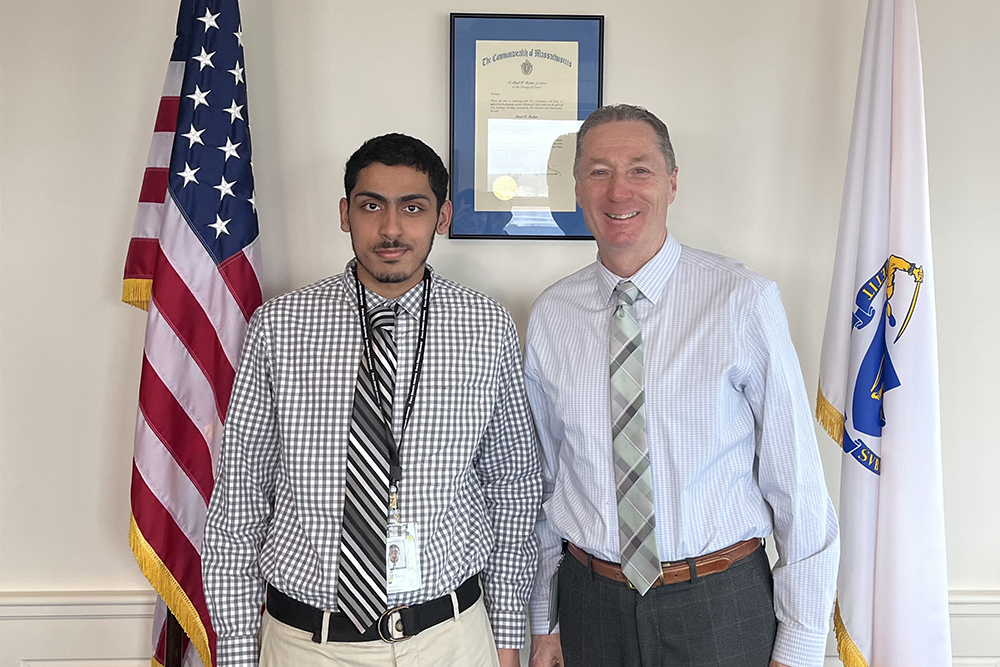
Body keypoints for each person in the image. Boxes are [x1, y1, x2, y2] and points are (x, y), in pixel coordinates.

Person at [203, 133, 541, 667]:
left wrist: (506, 635)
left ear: (442, 217)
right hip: (306, 645)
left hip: (450, 641)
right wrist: (239, 651)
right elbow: (240, 496)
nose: (391, 228)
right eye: (371, 206)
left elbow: (512, 484)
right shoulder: (280, 327)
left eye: (413, 207)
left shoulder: (486, 326)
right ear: (345, 214)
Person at [525, 105, 839, 667]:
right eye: (598, 171)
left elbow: (796, 481)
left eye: (639, 169)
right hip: (590, 606)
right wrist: (543, 621)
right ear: (577, 189)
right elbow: (545, 479)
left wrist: (800, 644)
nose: (618, 190)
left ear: (672, 183)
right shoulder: (552, 315)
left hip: (721, 604)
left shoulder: (742, 300)